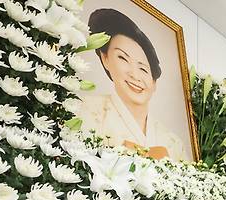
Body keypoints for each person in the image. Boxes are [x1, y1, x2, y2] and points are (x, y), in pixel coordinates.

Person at [78, 8, 189, 161]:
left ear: (154, 82)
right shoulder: (85, 110)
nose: (135, 75)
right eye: (123, 58)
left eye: (143, 69)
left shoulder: (173, 143)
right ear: (105, 59)